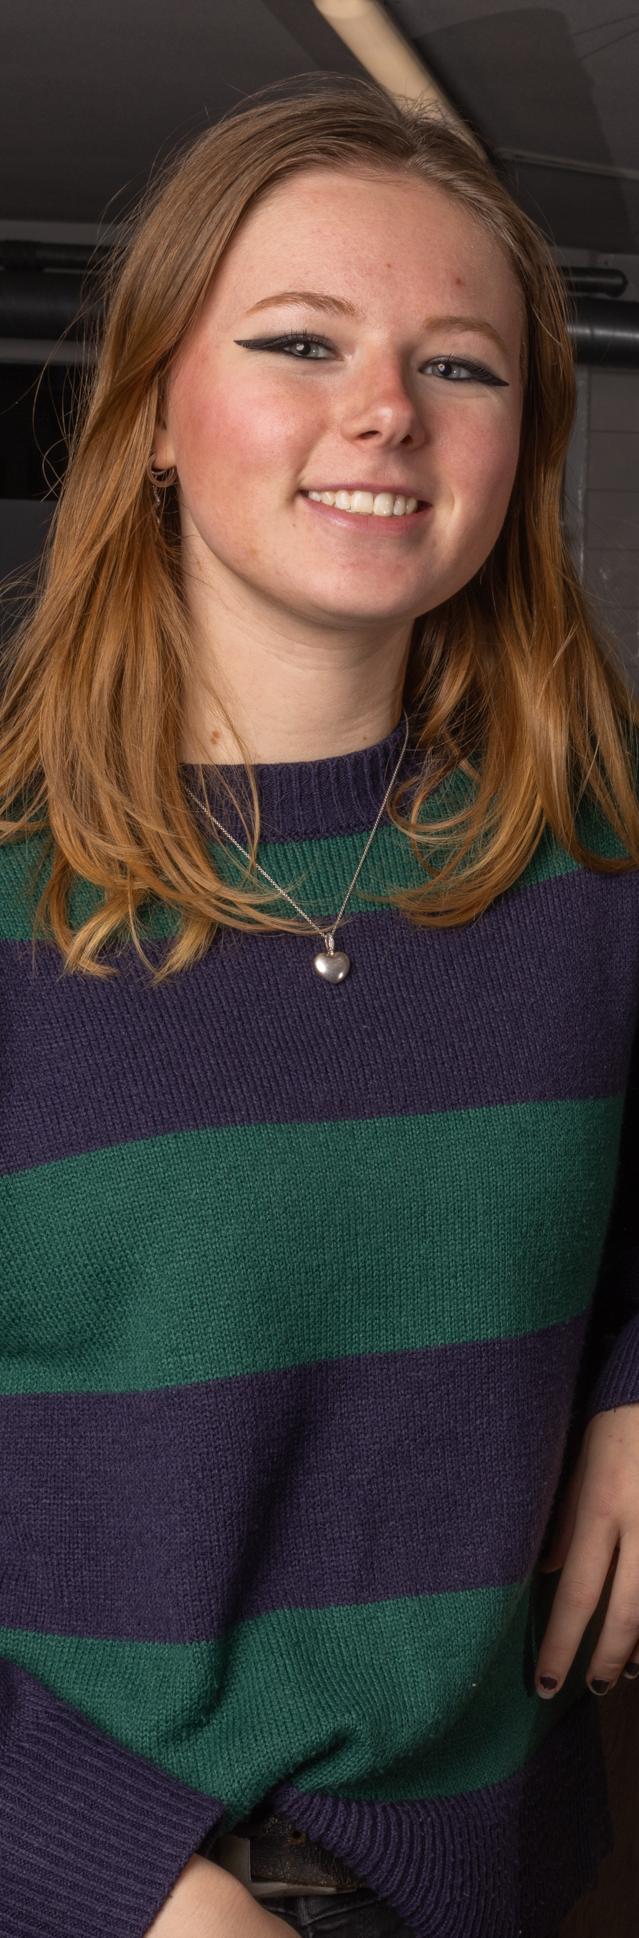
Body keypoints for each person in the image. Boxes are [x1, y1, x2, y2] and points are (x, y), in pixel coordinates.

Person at [0, 68, 638, 1938]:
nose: (386, 410)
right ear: (151, 414)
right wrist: (132, 1885)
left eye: (461, 364)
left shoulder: (591, 868)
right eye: (301, 340)